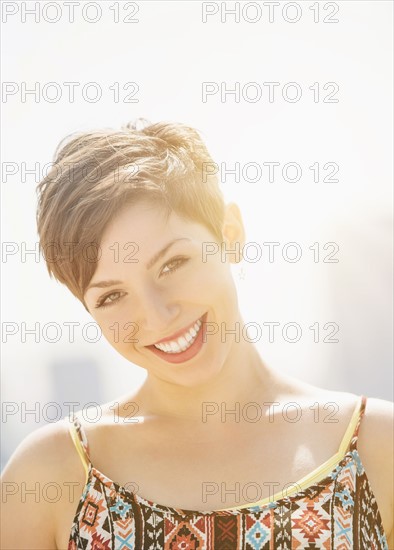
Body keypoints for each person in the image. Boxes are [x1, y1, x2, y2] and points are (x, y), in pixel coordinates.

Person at [1, 120, 393, 550]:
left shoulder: (378, 448)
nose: (157, 315)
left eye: (173, 264)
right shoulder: (51, 476)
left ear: (231, 234)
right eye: (113, 296)